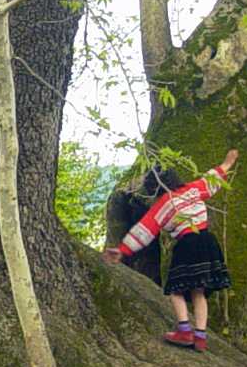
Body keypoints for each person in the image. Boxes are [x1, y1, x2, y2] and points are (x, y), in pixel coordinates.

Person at [101, 149, 237, 351]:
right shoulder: (194, 189)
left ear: (155, 189)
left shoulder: (163, 204)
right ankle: (200, 336)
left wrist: (122, 250)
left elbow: (144, 230)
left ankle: (184, 331)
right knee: (199, 292)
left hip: (187, 244)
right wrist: (228, 162)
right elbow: (213, 178)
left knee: (176, 290)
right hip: (207, 241)